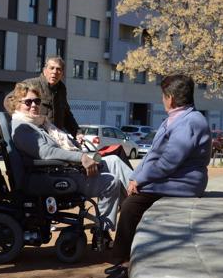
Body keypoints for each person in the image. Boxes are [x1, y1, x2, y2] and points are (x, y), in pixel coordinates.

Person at [104, 75, 211, 278]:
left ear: (170, 98)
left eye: (163, 96)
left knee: (131, 206)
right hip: (172, 178)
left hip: (184, 182)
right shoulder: (178, 118)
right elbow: (154, 154)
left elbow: (169, 161)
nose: (162, 100)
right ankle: (123, 259)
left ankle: (124, 262)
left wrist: (141, 180)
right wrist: (136, 177)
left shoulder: (190, 121)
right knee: (131, 199)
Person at [8, 82, 131, 239]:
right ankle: (103, 229)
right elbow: (46, 152)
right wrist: (81, 158)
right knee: (111, 182)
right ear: (16, 104)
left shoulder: (38, 123)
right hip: (53, 175)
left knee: (113, 160)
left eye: (37, 101)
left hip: (63, 169)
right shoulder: (22, 128)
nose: (34, 105)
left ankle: (140, 197)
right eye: (28, 102)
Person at [23, 56, 81, 139]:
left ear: (62, 74)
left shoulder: (61, 89)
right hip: (35, 137)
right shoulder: (31, 84)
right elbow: (9, 101)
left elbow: (66, 115)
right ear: (44, 70)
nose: (55, 72)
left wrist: (77, 133)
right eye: (52, 68)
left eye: (58, 69)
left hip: (56, 138)